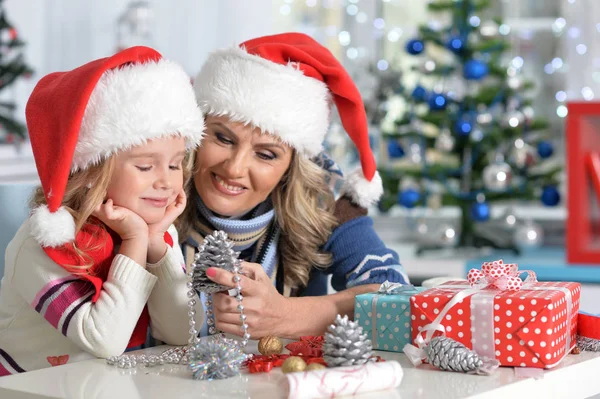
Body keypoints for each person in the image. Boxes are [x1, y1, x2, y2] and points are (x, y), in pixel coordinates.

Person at [177, 32, 410, 340]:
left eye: (266, 154)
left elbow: (401, 299)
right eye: (222, 138)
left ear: (291, 167)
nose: (234, 168)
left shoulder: (325, 203)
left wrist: (290, 316)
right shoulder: (152, 187)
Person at [0, 46, 205, 375]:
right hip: (22, 386)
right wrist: (136, 239)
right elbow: (104, 339)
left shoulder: (152, 230)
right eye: (144, 166)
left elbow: (184, 332)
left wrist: (155, 246)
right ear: (91, 171)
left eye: (175, 164)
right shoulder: (42, 245)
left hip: (100, 385)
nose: (166, 181)